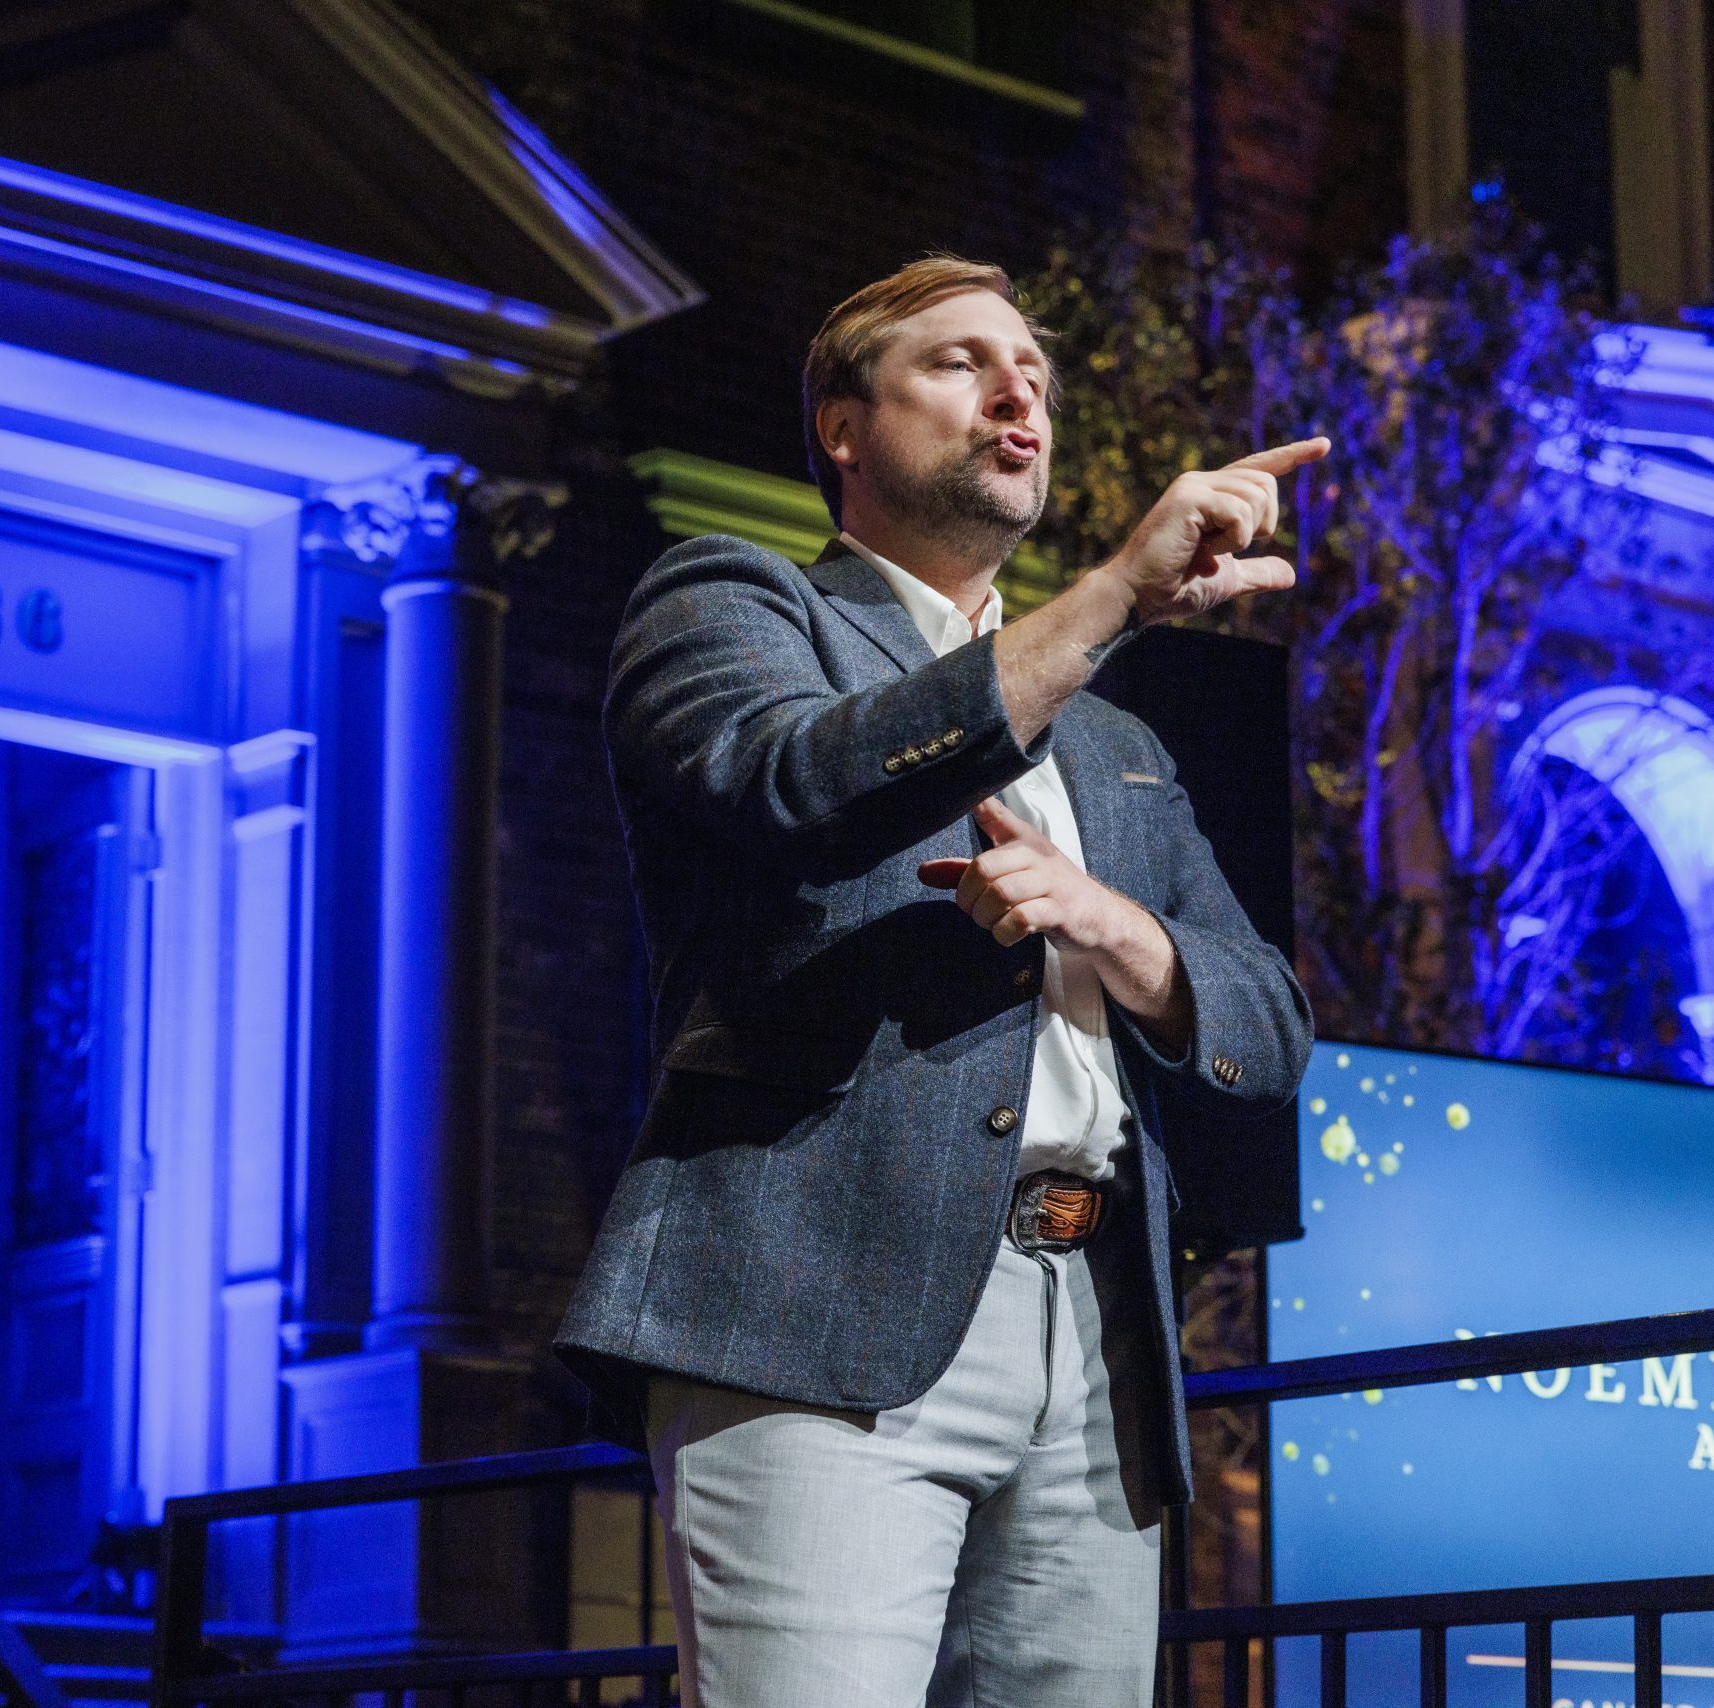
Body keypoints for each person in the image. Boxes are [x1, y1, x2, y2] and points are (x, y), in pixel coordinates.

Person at [555, 255, 1320, 1707]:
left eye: (1030, 368)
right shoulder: (736, 603)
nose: (1016, 387)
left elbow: (1269, 1031)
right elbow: (796, 785)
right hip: (812, 1308)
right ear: (844, 426)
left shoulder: (1115, 747)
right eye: (960, 363)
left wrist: (1109, 924)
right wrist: (1107, 596)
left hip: (1097, 1334)